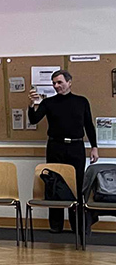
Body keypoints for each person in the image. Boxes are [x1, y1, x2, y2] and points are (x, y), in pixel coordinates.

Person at [29, 69, 99, 233]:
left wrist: (94, 147)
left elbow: (89, 125)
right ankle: (56, 225)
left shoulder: (81, 101)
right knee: (53, 184)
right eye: (54, 83)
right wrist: (32, 105)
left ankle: (77, 225)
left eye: (59, 82)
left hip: (76, 147)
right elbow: (33, 120)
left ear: (69, 82)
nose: (56, 86)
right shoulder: (48, 103)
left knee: (77, 185)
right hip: (55, 146)